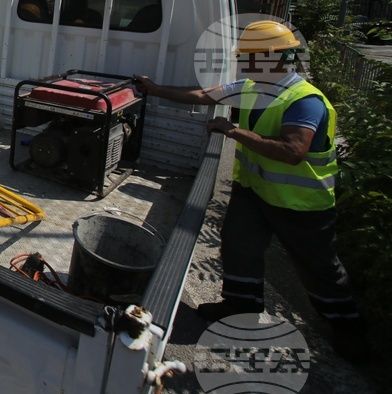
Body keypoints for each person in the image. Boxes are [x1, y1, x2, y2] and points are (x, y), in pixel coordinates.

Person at [134, 20, 368, 362]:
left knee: (319, 268)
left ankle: (350, 331)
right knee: (238, 245)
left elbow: (292, 151)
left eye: (250, 57)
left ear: (275, 58)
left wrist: (233, 131)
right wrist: (156, 89)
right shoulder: (252, 86)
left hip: (300, 204)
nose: (243, 64)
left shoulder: (305, 100)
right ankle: (240, 304)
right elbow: (204, 95)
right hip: (255, 192)